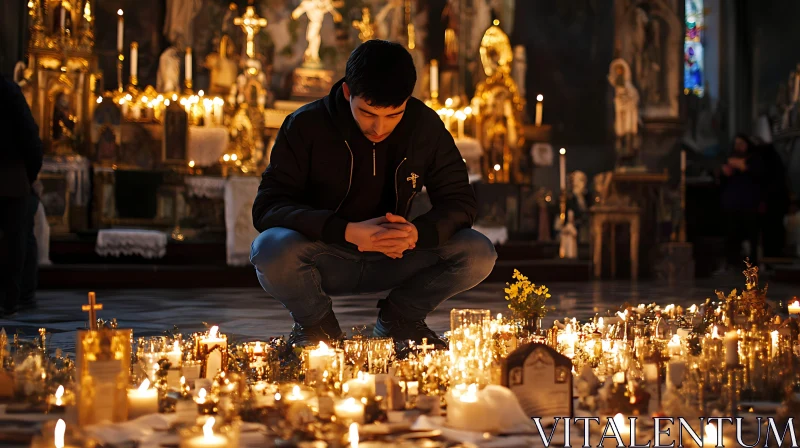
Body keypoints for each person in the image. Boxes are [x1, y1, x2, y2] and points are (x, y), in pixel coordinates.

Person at [250, 40, 496, 347]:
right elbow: (267, 207)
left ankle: (400, 319)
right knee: (270, 249)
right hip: (326, 254)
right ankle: (317, 326)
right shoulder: (305, 124)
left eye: (394, 115)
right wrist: (346, 231)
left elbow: (460, 201)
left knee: (478, 252)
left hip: (396, 254)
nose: (380, 128)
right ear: (347, 93)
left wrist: (415, 234)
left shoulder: (424, 126)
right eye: (368, 113)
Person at [0, 76, 43, 316]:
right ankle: (11, 298)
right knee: (16, 238)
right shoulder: (10, 93)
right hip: (13, 178)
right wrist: (30, 175)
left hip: (13, 176)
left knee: (18, 236)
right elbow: (30, 137)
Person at [719, 133, 764, 271]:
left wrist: (742, 166)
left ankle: (753, 265)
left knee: (752, 236)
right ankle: (732, 262)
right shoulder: (730, 158)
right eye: (736, 144)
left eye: (741, 144)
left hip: (749, 204)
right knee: (732, 235)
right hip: (733, 204)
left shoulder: (754, 159)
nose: (738, 146)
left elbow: (759, 176)